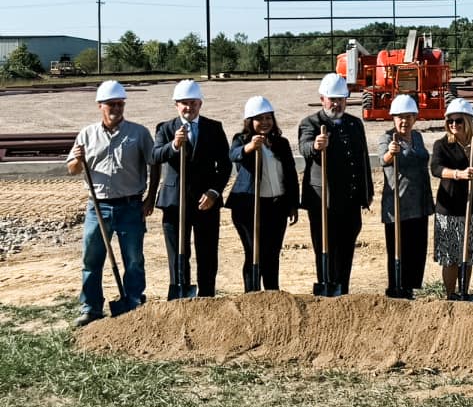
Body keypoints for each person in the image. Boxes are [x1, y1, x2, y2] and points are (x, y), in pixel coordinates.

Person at [66, 81, 155, 326]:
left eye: (120, 103)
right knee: (91, 259)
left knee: (134, 259)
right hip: (98, 206)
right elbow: (72, 169)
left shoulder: (139, 133)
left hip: (130, 205)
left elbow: (154, 163)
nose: (116, 108)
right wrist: (78, 160)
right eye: (111, 104)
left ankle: (134, 301)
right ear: (100, 106)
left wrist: (151, 197)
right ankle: (91, 308)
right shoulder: (87, 134)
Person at [151, 79, 232, 298]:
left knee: (206, 252)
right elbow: (155, 155)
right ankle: (180, 291)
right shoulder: (165, 129)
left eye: (193, 103)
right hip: (174, 202)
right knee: (178, 252)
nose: (189, 107)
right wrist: (174, 145)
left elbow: (225, 165)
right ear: (176, 105)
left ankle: (206, 295)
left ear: (200, 104)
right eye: (184, 103)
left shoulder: (214, 128)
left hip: (205, 201)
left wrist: (214, 192)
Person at [298, 72, 374, 295]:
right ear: (322, 99)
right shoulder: (311, 123)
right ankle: (327, 285)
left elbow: (362, 159)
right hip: (324, 202)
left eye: (341, 99)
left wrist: (366, 190)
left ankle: (343, 288)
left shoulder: (354, 124)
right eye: (332, 99)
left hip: (350, 201)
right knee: (325, 247)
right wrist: (315, 146)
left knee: (347, 246)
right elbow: (304, 147)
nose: (337, 103)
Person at [227, 96, 299, 291]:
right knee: (254, 253)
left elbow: (290, 174)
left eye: (268, 118)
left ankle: (272, 293)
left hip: (276, 207)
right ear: (250, 121)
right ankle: (252, 294)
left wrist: (293, 204)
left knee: (272, 253)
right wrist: (250, 147)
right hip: (249, 207)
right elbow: (233, 155)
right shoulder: (240, 139)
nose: (265, 122)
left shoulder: (281, 143)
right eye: (260, 118)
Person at [430, 98, 473, 299]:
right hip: (449, 207)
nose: (454, 125)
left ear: (468, 121)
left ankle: (464, 292)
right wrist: (459, 174)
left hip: (472, 206)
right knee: (451, 257)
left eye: (458, 121)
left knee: (468, 254)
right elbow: (436, 169)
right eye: (450, 121)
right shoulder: (441, 144)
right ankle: (450, 296)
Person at [377, 94, 434, 298]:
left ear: (415, 118)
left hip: (419, 202)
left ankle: (410, 287)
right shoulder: (387, 138)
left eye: (409, 117)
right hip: (399, 204)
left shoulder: (417, 137)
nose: (404, 121)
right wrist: (392, 153)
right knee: (397, 249)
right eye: (400, 117)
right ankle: (396, 288)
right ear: (393, 118)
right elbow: (383, 160)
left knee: (417, 248)